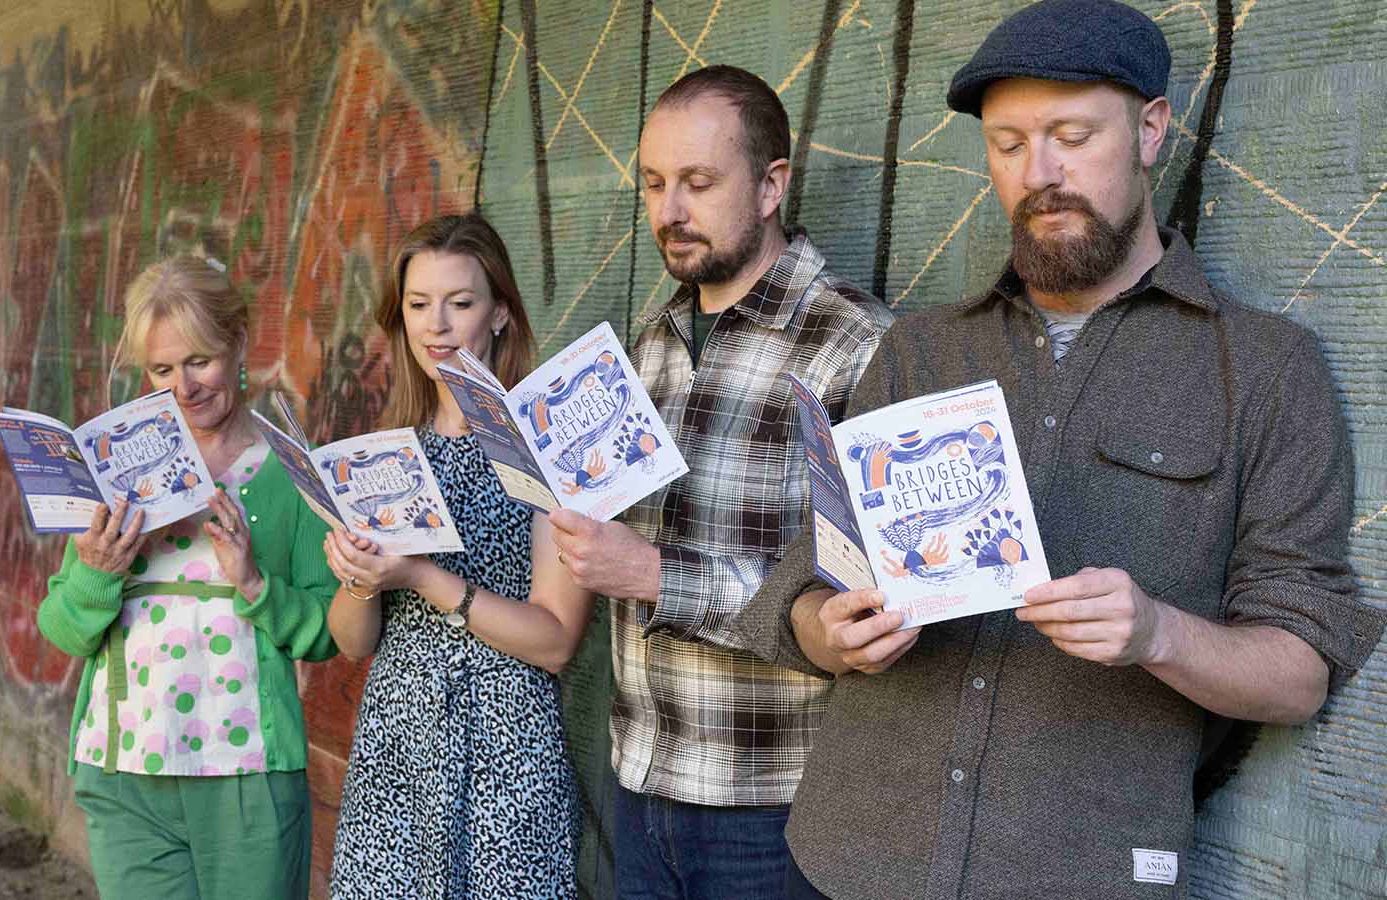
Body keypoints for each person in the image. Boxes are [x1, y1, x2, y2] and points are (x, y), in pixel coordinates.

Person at [736, 2, 1387, 898]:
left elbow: (1300, 675)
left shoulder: (1268, 371)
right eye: (1007, 145)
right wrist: (831, 631)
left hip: (1081, 877)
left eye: (1072, 135)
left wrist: (1158, 634)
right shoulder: (919, 350)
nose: (1039, 173)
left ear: (1152, 129)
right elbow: (812, 578)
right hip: (848, 859)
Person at [546, 65, 893, 898]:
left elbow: (867, 602)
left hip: (775, 808)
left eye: (698, 183)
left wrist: (655, 574)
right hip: (639, 785)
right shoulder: (648, 344)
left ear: (773, 185)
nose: (668, 211)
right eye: (655, 183)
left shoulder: (860, 348)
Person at [36, 255, 341, 900]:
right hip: (122, 769)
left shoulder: (290, 472)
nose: (184, 387)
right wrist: (98, 571)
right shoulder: (115, 470)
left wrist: (255, 584)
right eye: (162, 369)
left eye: (199, 360)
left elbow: (329, 628)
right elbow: (62, 628)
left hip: (247, 775)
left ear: (237, 345)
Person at [324, 213, 594, 900]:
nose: (436, 325)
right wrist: (357, 580)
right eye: (419, 305)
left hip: (505, 750)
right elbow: (353, 642)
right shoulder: (389, 454)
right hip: (399, 744)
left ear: (501, 313)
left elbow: (557, 640)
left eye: (461, 303)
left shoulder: (544, 448)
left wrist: (421, 576)